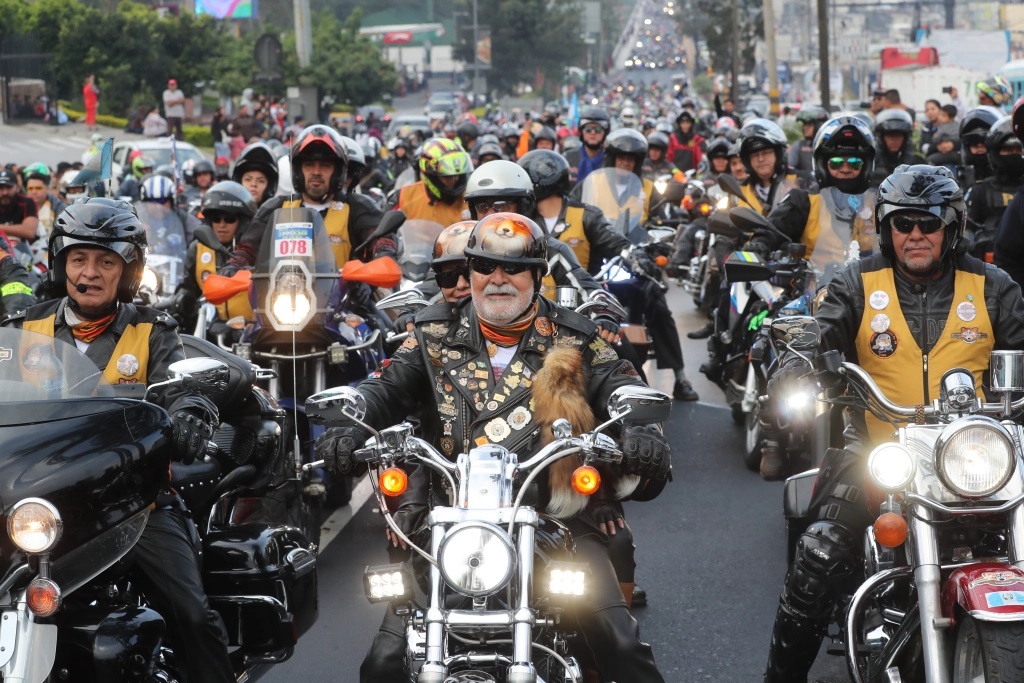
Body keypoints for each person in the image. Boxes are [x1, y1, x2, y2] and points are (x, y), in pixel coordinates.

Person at [319, 211, 670, 683]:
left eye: (513, 268)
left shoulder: (574, 335)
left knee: (620, 645)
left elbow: (621, 381)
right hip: (452, 528)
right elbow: (384, 387)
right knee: (382, 663)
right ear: (471, 272)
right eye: (485, 267)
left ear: (536, 274)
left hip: (556, 521)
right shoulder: (432, 334)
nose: (497, 279)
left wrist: (642, 429)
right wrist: (351, 420)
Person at [761, 164, 1024, 682]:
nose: (915, 235)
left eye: (928, 223)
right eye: (903, 223)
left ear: (952, 228)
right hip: (878, 455)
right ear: (886, 228)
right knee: (821, 553)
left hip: (978, 457)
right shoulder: (855, 282)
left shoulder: (993, 286)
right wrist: (798, 361)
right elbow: (821, 329)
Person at [4, 197, 235, 683]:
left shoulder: (152, 332)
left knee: (192, 614)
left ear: (128, 272)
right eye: (79, 258)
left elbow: (183, 388)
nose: (90, 272)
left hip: (132, 505)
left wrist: (192, 410)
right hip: (35, 508)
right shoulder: (22, 328)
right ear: (61, 262)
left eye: (106, 261)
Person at [748, 115, 880, 479]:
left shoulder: (885, 201)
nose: (845, 168)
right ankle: (772, 434)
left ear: (866, 163)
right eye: (836, 161)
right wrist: (757, 248)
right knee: (770, 331)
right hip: (811, 299)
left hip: (875, 303)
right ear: (822, 163)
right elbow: (769, 232)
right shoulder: (803, 200)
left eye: (853, 161)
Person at [522, 148, 697, 402]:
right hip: (535, 305)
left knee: (622, 350)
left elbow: (614, 241)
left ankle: (645, 407)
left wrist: (634, 254)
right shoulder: (523, 221)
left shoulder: (586, 214)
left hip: (585, 301)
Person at [222, 125, 394, 272]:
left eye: (325, 165)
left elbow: (379, 237)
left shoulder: (358, 207)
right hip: (280, 303)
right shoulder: (275, 208)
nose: (316, 172)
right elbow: (248, 248)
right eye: (309, 165)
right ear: (298, 170)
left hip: (347, 302)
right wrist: (234, 266)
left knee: (389, 310)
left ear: (338, 172)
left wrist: (384, 254)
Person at [174, 182, 256, 337]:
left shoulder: (252, 252)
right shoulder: (197, 249)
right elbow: (189, 286)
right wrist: (182, 299)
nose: (222, 225)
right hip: (208, 331)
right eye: (216, 219)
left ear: (243, 222)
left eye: (229, 219)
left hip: (249, 330)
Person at [965, 115, 1024, 262]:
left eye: (1018, 150)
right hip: (988, 270)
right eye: (1008, 150)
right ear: (995, 153)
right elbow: (966, 228)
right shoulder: (980, 191)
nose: (1014, 155)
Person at [392, 137, 472, 227]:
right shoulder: (406, 196)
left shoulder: (470, 200)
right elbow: (385, 230)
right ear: (430, 174)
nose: (454, 180)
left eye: (458, 175)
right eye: (446, 176)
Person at [870, 109, 923, 187]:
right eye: (890, 135)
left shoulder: (917, 164)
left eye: (898, 136)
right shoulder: (871, 163)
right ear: (881, 137)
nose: (894, 140)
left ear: (905, 138)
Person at [787, 105, 829, 188]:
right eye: (804, 125)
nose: (805, 128)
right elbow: (789, 169)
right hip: (805, 192)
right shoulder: (798, 146)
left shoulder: (829, 147)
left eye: (809, 125)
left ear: (819, 125)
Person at [567, 106, 611, 184]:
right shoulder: (568, 158)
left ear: (605, 132)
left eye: (598, 129)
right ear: (581, 132)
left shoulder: (611, 160)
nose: (593, 133)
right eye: (588, 129)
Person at [22, 163, 66, 240]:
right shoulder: (20, 205)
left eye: (38, 188)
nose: (34, 192)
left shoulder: (58, 206)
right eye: (30, 189)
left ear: (47, 188)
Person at [231, 141, 279, 207]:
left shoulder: (277, 215)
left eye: (260, 181)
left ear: (270, 186)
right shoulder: (228, 216)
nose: (253, 184)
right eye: (248, 179)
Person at [0, 168, 39, 243]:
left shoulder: (27, 202)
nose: (4, 192)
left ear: (17, 187)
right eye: (0, 188)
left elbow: (30, 232)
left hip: (25, 249)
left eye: (8, 187)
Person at [666, 109, 704, 173]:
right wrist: (673, 171)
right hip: (674, 174)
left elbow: (700, 159)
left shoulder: (697, 139)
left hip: (692, 175)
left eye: (687, 123)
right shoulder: (673, 138)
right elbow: (668, 158)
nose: (685, 126)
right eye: (682, 123)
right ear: (679, 124)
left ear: (691, 124)